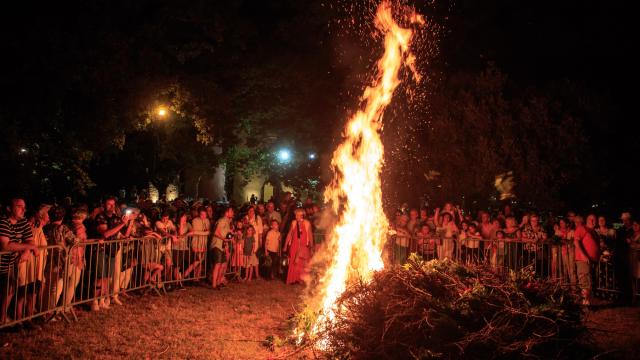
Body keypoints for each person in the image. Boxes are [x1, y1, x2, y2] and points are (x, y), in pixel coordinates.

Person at [0, 198, 37, 324]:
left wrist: (26, 250)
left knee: (9, 291)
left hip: (9, 264)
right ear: (9, 208)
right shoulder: (3, 222)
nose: (23, 209)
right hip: (2, 263)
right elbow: (5, 245)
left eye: (24, 206)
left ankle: (3, 318)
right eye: (19, 206)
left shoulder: (23, 222)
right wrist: (29, 247)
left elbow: (31, 241)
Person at [573, 215, 600, 305]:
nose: (592, 221)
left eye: (594, 220)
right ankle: (585, 302)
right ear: (586, 220)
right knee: (584, 280)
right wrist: (584, 256)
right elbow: (576, 242)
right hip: (583, 260)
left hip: (592, 261)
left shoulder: (595, 232)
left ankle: (587, 301)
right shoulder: (582, 228)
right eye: (590, 219)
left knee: (589, 281)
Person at [284, 209, 312, 285]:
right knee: (293, 262)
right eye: (296, 214)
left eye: (297, 215)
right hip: (294, 245)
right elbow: (290, 234)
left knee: (302, 263)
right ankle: (292, 279)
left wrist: (311, 246)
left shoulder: (307, 223)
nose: (296, 216)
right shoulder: (293, 223)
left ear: (302, 215)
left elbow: (310, 235)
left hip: (303, 246)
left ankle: (301, 279)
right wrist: (285, 245)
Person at [211, 207, 233, 289]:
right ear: (226, 213)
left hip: (222, 246)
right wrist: (224, 239)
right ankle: (214, 284)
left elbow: (225, 235)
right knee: (218, 264)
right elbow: (216, 232)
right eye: (231, 211)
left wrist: (226, 241)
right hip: (217, 244)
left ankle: (218, 282)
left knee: (223, 264)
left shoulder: (227, 222)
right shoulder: (222, 220)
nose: (232, 212)